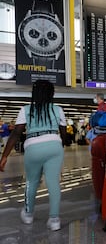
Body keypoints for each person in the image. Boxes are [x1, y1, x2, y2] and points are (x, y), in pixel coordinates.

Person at [0, 80, 67, 230]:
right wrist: (58, 149)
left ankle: (28, 215)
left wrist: (4, 156)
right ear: (52, 94)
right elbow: (64, 134)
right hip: (54, 145)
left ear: (34, 93)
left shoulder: (25, 110)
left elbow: (16, 134)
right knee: (53, 182)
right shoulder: (58, 109)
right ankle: (55, 220)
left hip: (33, 146)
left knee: (32, 182)